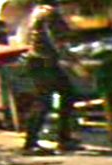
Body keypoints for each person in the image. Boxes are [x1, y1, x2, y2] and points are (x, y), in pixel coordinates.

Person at [20, 0, 79, 155]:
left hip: (39, 60)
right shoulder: (50, 14)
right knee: (44, 101)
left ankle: (64, 137)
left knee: (67, 94)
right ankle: (30, 143)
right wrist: (74, 62)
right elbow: (57, 41)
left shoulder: (39, 11)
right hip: (43, 61)